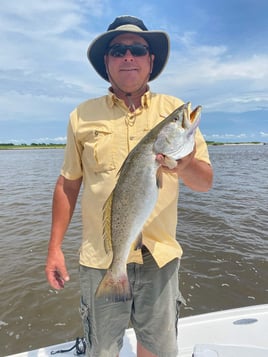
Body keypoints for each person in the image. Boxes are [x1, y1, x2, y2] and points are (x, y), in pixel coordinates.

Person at [45, 15, 213, 357]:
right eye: (118, 50)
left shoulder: (172, 111)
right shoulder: (82, 116)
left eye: (138, 49)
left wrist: (185, 163)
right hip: (102, 257)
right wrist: (54, 248)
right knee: (102, 349)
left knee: (157, 348)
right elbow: (68, 184)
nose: (128, 57)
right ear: (106, 62)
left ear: (151, 60)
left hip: (160, 256)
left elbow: (205, 183)